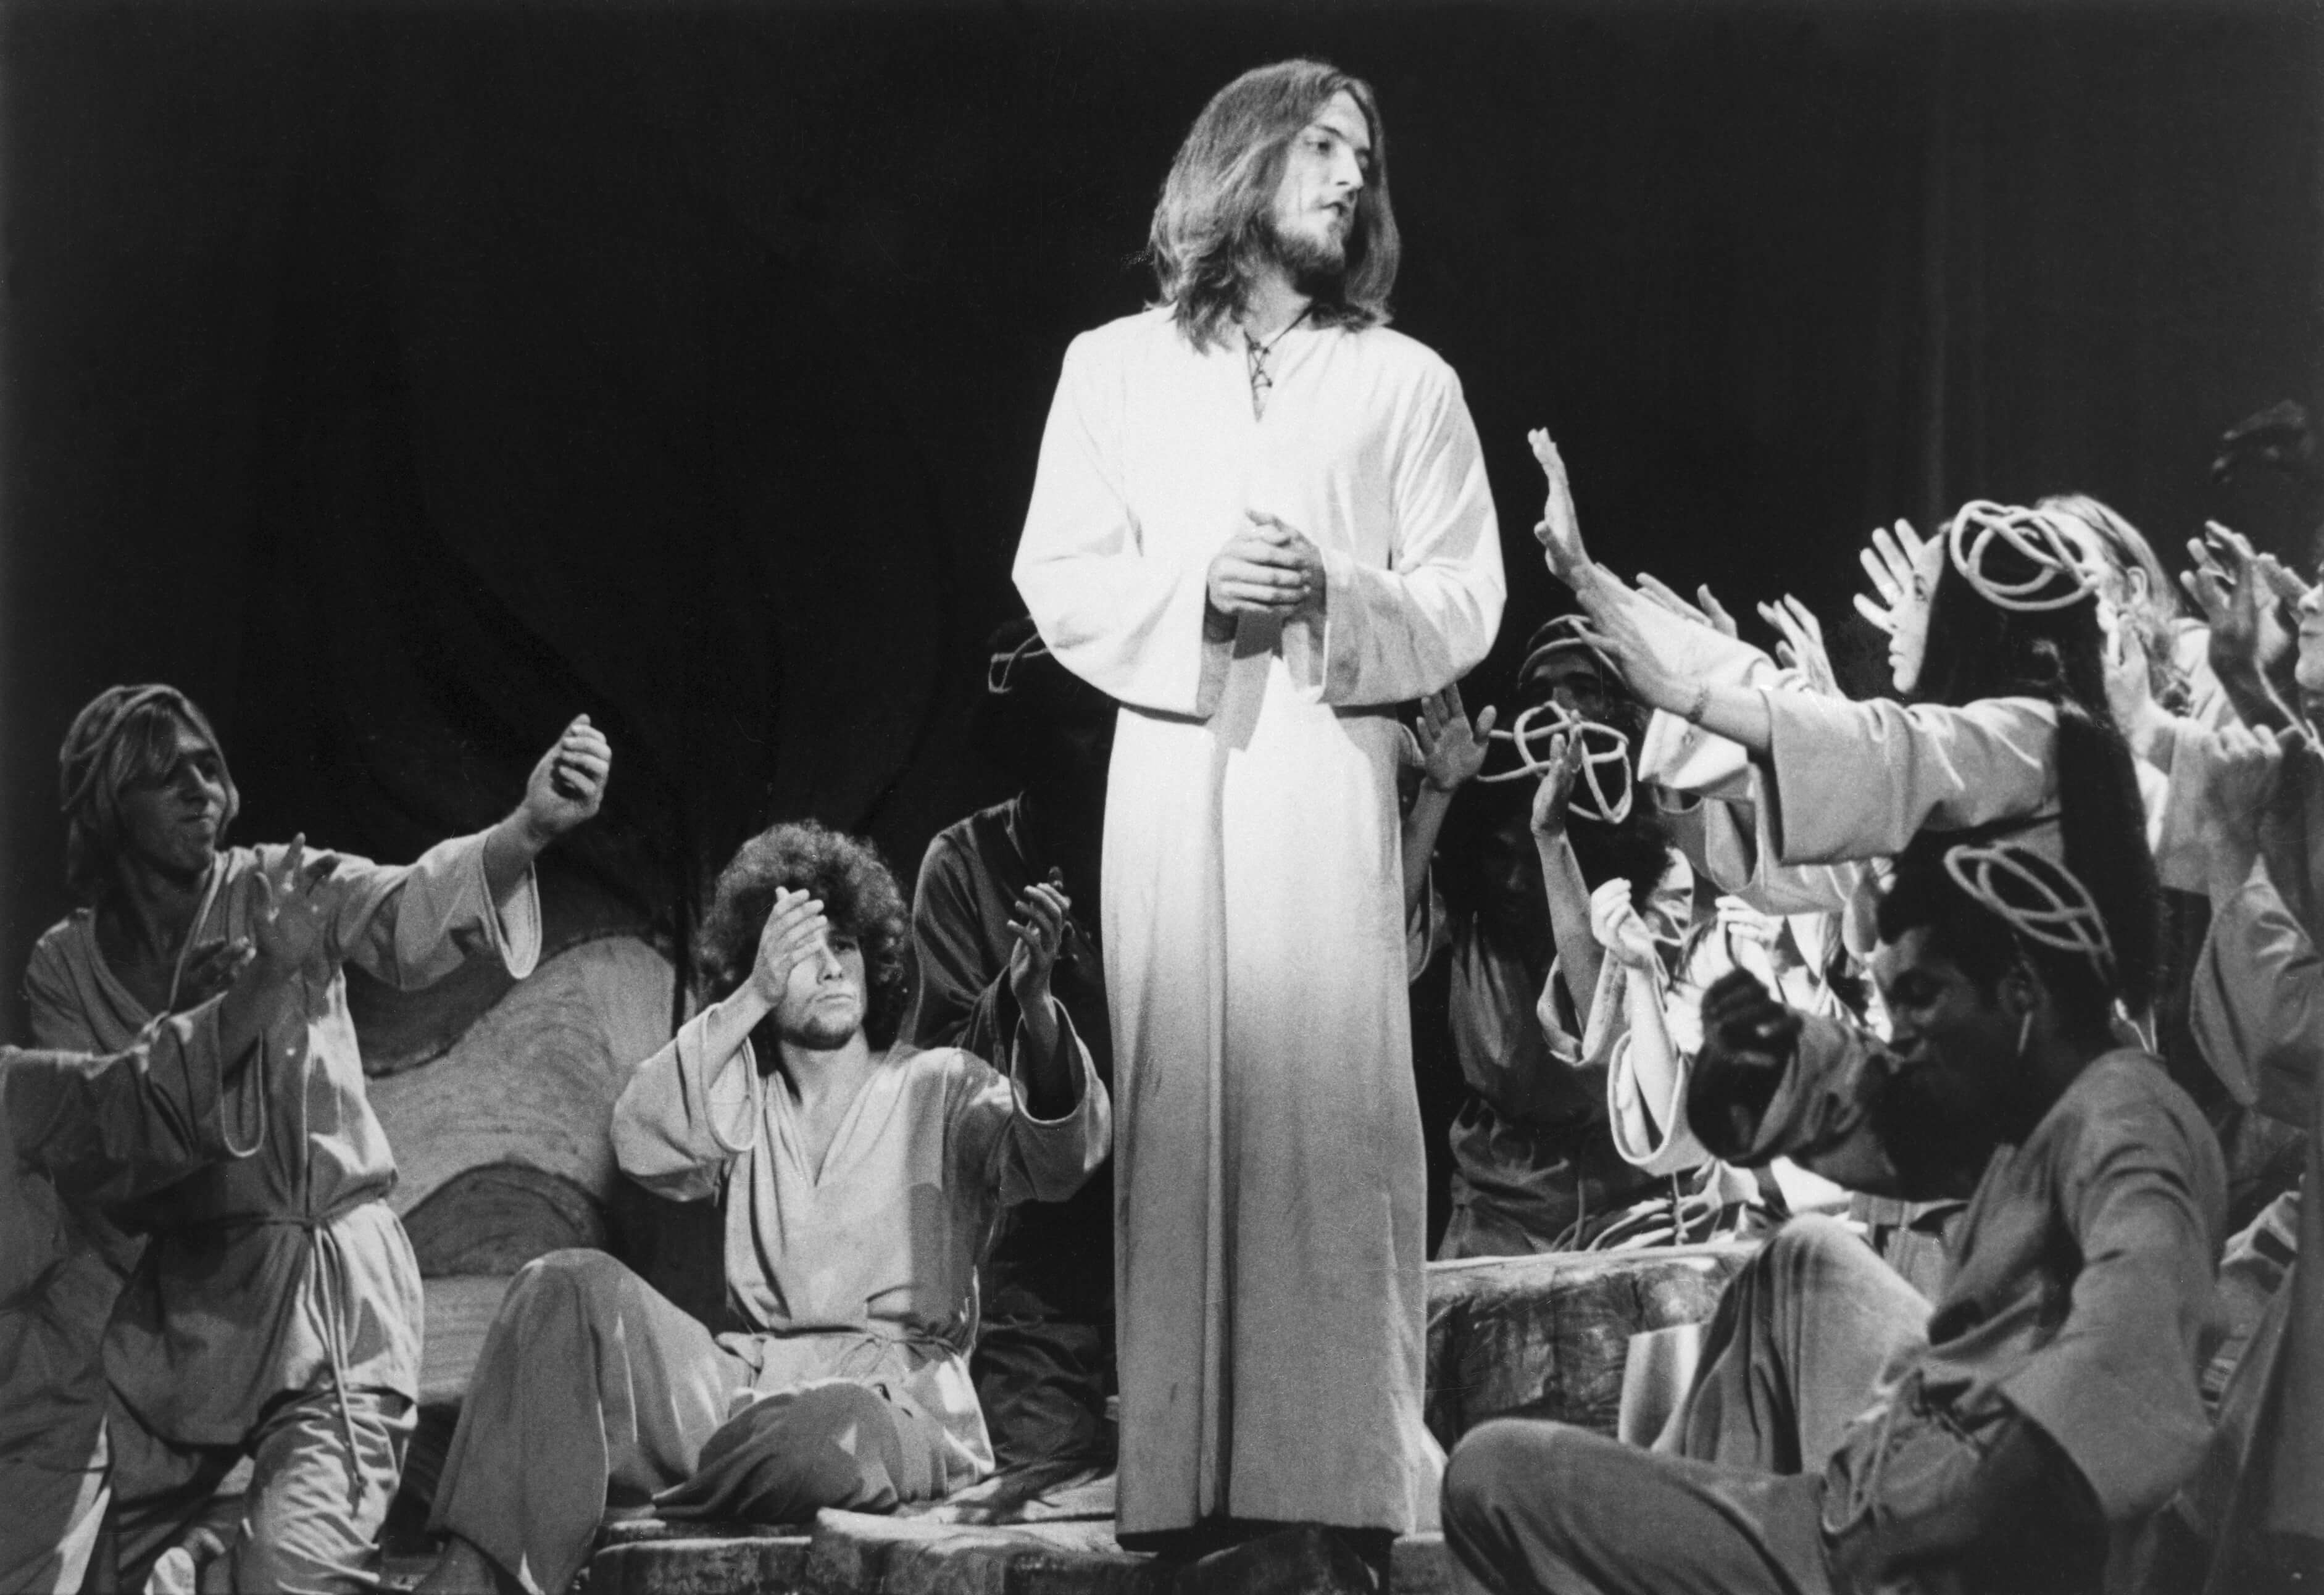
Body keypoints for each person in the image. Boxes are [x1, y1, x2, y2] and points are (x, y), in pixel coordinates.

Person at [1012, 58, 1504, 1560]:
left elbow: (1464, 592)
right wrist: (1197, 593)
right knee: (1181, 1107)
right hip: (1173, 773)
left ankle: (1339, 1482)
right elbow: (1061, 570)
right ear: (1238, 160)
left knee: (1326, 1115)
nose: (1350, 173)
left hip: (1319, 779)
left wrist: (1337, 594)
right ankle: (1179, 1487)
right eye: (1319, 143)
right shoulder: (1110, 368)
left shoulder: (1404, 383)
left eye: (1364, 152)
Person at [1441, 842, 2226, 1595]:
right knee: (1801, 1259)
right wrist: (1775, 1069)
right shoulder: (2040, 1083)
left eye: (1922, 997)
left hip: (1929, 1547)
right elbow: (1886, 1113)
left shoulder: (2123, 1126)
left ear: (2021, 992)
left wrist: (1930, 1527)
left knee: (1490, 1474)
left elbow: (2137, 1347)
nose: (1902, 1031)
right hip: (1921, 1482)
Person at [417, 821, 1109, 1595]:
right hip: (748, 1386)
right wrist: (753, 993)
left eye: (843, 945)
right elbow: (641, 1139)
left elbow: (1059, 1160)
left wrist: (1037, 1010)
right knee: (561, 1285)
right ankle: (472, 1576)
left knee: (823, 1433)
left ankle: (642, 1488)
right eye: (799, 951)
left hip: (892, 1401)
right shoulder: (744, 1096)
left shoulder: (940, 1083)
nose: (829, 967)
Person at [25, 684, 607, 1593]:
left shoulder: (279, 884)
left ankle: (237, 1555)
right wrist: (241, 1001)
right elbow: (101, 1142)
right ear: (106, 804)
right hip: (182, 1330)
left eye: (208, 764)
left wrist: (524, 830)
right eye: (162, 770)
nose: (198, 785)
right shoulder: (66, 966)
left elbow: (408, 909)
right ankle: (213, 1546)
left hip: (325, 1294)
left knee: (290, 1577)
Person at [1, 854, 328, 1594]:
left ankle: (206, 1542)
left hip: (38, 1440)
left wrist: (260, 980)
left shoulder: (15, 1091)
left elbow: (143, 1103)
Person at [910, 617, 1118, 1477]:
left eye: (1103, 719)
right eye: (1067, 722)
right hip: (1038, 1244)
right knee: (1044, 1472)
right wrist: (1026, 993)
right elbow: (947, 1072)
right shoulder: (963, 865)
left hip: (1176, 1216)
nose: (1093, 747)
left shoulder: (1167, 855)